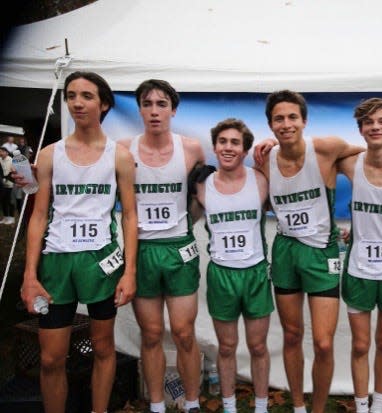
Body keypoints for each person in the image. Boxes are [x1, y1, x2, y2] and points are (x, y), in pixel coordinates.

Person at [19, 71, 138, 413]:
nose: (77, 103)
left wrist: (129, 272)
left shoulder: (119, 156)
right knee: (51, 357)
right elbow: (38, 216)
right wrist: (29, 275)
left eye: (86, 96)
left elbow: (130, 216)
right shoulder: (48, 154)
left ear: (103, 104)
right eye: (71, 95)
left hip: (100, 261)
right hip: (56, 262)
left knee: (102, 348)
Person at [253, 89, 365, 413]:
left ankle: (317, 409)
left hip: (321, 252)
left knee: (324, 342)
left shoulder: (326, 148)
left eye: (292, 117)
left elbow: (371, 150)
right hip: (286, 250)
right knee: (291, 335)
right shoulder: (264, 160)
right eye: (278, 119)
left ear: (304, 120)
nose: (286, 124)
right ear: (271, 125)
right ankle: (299, 406)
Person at [118, 79, 205, 413]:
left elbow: (201, 197)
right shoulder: (124, 148)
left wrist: (186, 224)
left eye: (162, 104)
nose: (154, 111)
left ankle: (192, 403)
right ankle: (156, 405)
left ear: (173, 109)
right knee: (151, 333)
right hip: (143, 250)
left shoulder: (192, 148)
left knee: (183, 333)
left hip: (179, 249)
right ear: (139, 109)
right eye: (147, 104)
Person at [191, 118, 274, 413]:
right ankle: (229, 406)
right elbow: (187, 221)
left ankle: (261, 406)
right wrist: (190, 190)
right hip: (221, 273)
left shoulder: (260, 180)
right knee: (226, 347)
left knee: (258, 346)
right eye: (222, 142)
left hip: (254, 273)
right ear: (214, 146)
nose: (228, 147)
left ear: (245, 150)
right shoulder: (203, 186)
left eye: (235, 143)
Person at [336, 98, 382, 413]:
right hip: (358, 270)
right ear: (361, 130)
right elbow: (312, 154)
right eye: (369, 122)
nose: (376, 127)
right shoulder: (351, 163)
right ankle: (361, 403)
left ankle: (379, 402)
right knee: (360, 345)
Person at [0, 146, 15, 224]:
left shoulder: (11, 160)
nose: (0, 153)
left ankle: (12, 218)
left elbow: (14, 172)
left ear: (6, 152)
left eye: (2, 151)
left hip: (10, 184)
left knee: (10, 201)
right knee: (3, 201)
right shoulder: (0, 160)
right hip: (2, 185)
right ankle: (5, 217)